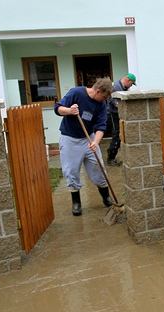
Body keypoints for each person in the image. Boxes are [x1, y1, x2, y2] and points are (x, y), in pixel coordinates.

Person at [54, 78, 115, 216]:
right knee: (71, 171)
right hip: (70, 139)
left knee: (98, 167)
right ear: (98, 91)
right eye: (104, 97)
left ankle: (106, 197)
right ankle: (76, 202)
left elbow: (101, 126)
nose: (104, 100)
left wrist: (95, 143)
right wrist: (69, 110)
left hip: (89, 139)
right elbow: (58, 109)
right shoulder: (76, 93)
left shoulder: (100, 105)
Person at [106, 73, 136, 166]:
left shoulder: (123, 87)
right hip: (113, 114)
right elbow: (113, 102)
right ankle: (110, 158)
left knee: (119, 135)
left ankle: (111, 154)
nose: (131, 86)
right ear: (128, 80)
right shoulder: (115, 87)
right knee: (117, 135)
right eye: (131, 83)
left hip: (118, 114)